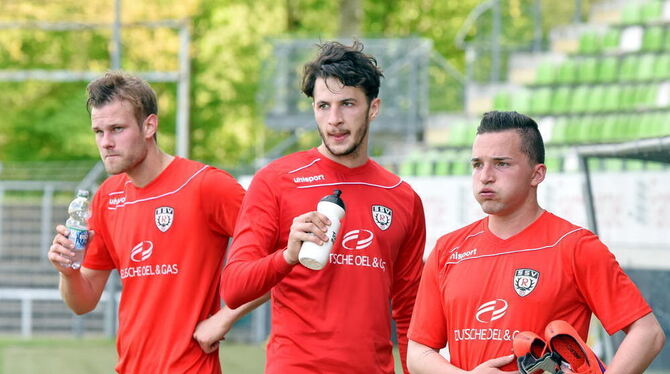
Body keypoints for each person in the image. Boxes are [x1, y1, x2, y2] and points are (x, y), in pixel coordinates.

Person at [220, 41, 426, 373]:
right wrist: (287, 256)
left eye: (347, 104)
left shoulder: (402, 197)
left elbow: (409, 309)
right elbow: (234, 288)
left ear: (373, 108)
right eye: (323, 106)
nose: (335, 120)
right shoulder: (275, 180)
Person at [407, 111, 666, 373]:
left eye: (501, 163)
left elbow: (648, 334)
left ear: (537, 174)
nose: (485, 175)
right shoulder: (447, 249)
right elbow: (418, 351)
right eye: (477, 164)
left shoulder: (575, 246)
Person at [48, 72, 249, 373]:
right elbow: (83, 302)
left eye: (117, 129)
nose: (106, 143)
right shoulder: (107, 198)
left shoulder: (206, 185)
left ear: (149, 126)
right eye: (98, 132)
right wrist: (68, 272)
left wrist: (225, 316)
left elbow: (284, 255)